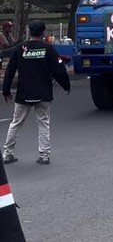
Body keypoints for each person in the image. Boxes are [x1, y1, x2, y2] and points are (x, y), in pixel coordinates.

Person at [2, 20, 71, 165]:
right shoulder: (48, 48)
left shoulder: (20, 48)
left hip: (24, 93)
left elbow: (10, 70)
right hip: (43, 93)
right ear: (44, 32)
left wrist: (6, 91)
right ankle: (44, 155)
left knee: (16, 123)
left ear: (29, 31)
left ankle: (7, 154)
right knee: (43, 124)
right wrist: (66, 86)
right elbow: (59, 70)